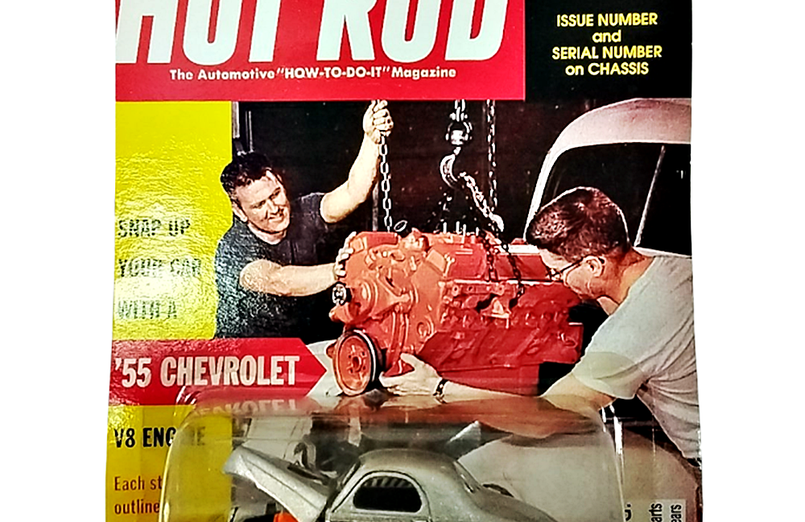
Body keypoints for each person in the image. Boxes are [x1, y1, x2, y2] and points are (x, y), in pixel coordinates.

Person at [382, 186, 699, 463]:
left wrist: (437, 387)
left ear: (593, 265)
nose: (555, 280)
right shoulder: (674, 267)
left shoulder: (632, 333)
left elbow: (545, 419)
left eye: (557, 272)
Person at [214, 100, 393, 341]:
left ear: (280, 182)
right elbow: (279, 281)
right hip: (246, 354)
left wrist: (371, 139)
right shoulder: (233, 248)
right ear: (240, 211)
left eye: (275, 194)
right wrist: (337, 271)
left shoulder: (304, 210)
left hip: (300, 345)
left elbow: (353, 192)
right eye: (259, 205)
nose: (274, 209)